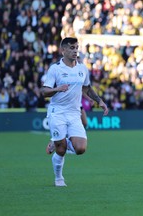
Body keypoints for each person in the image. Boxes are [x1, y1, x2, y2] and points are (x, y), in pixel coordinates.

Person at [41, 37, 109, 187]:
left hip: (74, 112)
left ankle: (58, 141)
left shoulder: (82, 68)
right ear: (63, 50)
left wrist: (100, 101)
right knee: (62, 149)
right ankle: (59, 178)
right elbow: (44, 91)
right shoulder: (56, 68)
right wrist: (57, 89)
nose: (75, 51)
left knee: (80, 149)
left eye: (76, 48)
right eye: (71, 48)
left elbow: (87, 88)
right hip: (57, 112)